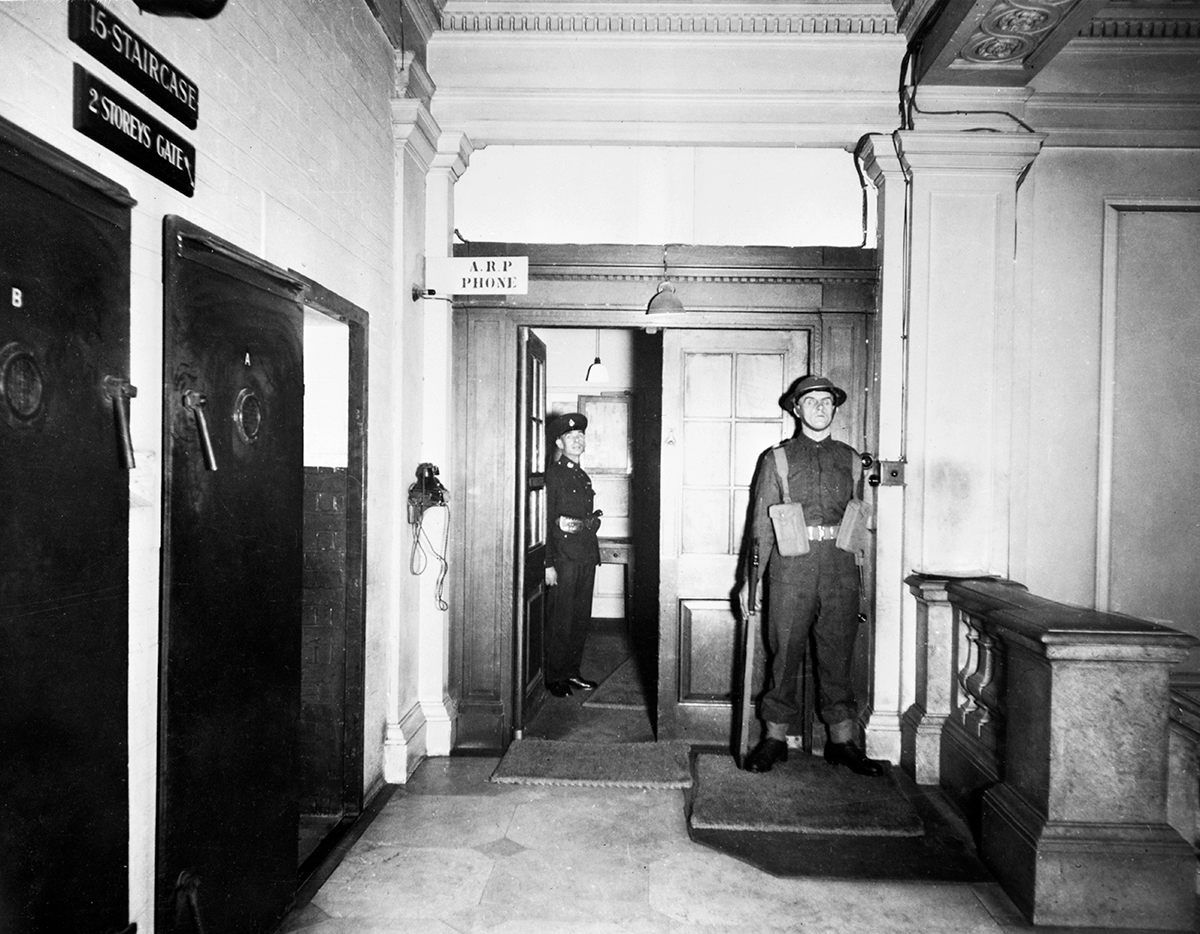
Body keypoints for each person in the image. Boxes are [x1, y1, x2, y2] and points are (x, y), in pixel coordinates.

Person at [738, 374, 886, 777]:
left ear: (834, 409)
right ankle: (773, 739)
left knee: (838, 655)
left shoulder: (852, 459)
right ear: (795, 408)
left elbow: (861, 522)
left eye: (827, 401)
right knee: (783, 654)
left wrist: (863, 577)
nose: (820, 407)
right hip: (792, 569)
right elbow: (760, 527)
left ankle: (842, 742)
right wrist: (750, 581)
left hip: (839, 568)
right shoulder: (777, 459)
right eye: (811, 401)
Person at [544, 412, 603, 698]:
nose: (577, 441)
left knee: (580, 617)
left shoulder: (581, 475)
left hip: (585, 555)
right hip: (563, 557)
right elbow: (546, 520)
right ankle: (555, 675)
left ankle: (571, 670)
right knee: (561, 619)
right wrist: (548, 564)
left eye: (580, 436)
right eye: (570, 437)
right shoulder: (554, 475)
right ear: (559, 442)